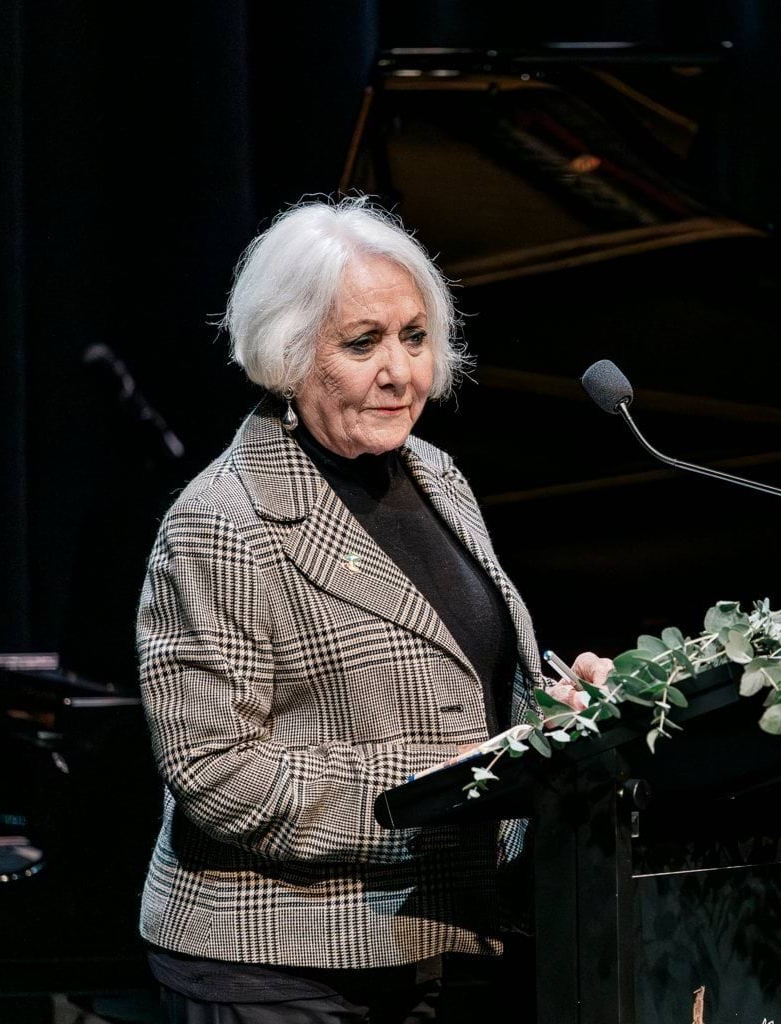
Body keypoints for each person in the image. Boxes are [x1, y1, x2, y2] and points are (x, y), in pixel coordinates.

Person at [135, 196, 611, 1023]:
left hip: (429, 938)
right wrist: (446, 786)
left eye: (415, 337)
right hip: (276, 964)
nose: (402, 372)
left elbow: (459, 668)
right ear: (288, 353)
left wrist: (554, 702)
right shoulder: (223, 524)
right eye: (363, 344)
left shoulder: (434, 473)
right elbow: (218, 771)